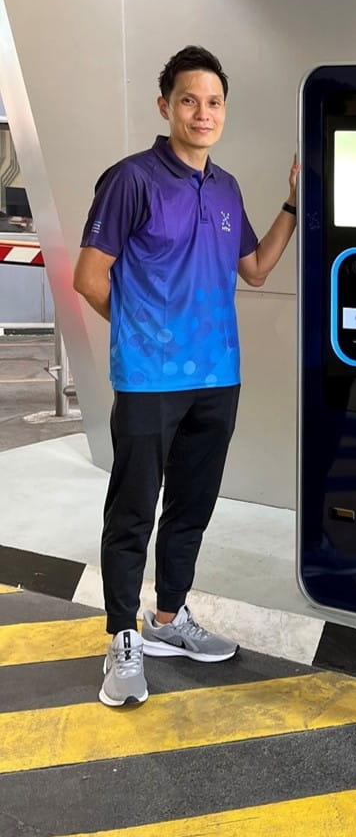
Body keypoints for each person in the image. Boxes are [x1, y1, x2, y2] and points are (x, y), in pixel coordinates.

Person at [73, 45, 299, 708]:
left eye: (214, 101)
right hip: (147, 378)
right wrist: (143, 329)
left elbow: (254, 268)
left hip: (216, 376)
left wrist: (293, 204)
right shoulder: (131, 180)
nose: (202, 112)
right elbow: (90, 277)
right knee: (133, 510)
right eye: (189, 100)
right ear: (165, 106)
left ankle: (169, 619)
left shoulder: (224, 187)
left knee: (191, 509)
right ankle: (122, 638)